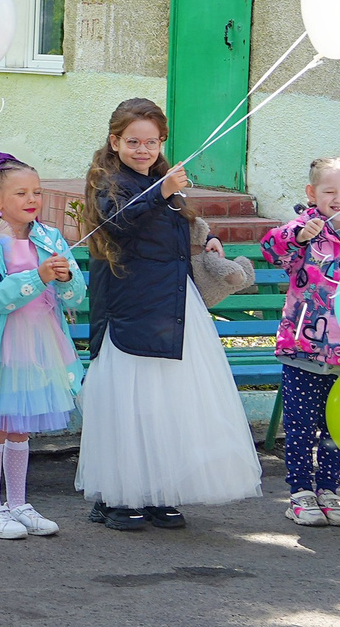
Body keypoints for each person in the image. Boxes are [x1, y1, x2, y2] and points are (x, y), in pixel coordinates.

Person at [74, 99, 261, 531]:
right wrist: (160, 192)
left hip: (172, 307)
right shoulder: (108, 183)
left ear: (162, 142)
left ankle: (159, 492)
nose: (143, 149)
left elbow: (179, 222)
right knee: (129, 402)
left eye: (152, 142)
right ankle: (116, 497)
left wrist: (208, 237)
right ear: (115, 141)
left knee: (169, 404)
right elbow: (116, 221)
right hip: (128, 308)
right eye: (133, 141)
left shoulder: (162, 180)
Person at [0, 152, 84, 541]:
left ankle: (19, 503)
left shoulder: (49, 238)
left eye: (37, 192)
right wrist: (38, 276)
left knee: (20, 428)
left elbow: (76, 296)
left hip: (40, 346)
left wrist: (64, 277)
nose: (32, 199)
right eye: (21, 192)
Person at [257, 156, 340, 528]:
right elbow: (270, 249)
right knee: (300, 426)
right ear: (312, 193)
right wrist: (299, 236)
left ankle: (330, 491)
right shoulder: (303, 231)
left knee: (336, 427)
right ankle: (299, 494)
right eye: (329, 191)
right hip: (303, 349)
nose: (337, 198)